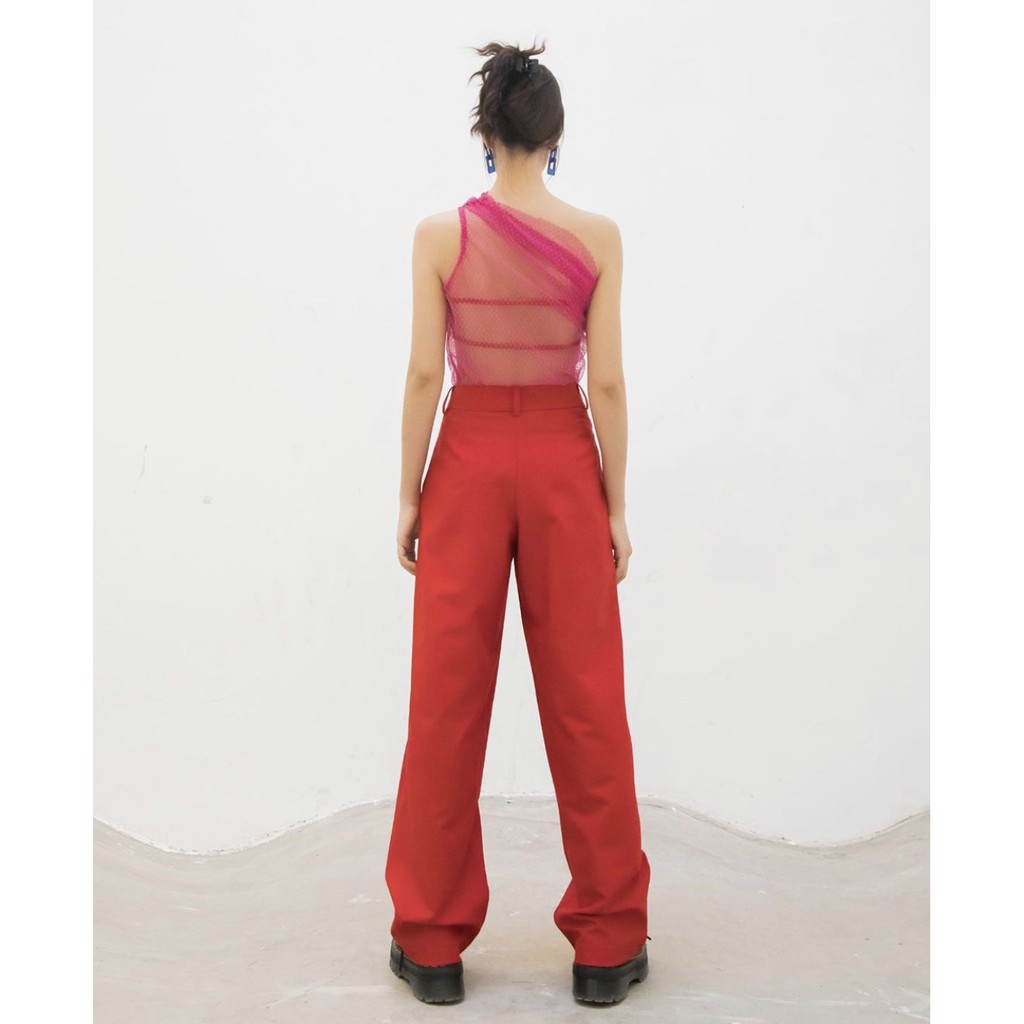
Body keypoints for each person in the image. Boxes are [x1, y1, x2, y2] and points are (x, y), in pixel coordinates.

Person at [385, 39, 651, 1006]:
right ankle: (607, 945)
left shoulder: (439, 237)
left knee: (446, 701)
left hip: (466, 461)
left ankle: (431, 943)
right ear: (556, 136)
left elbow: (426, 372)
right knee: (586, 696)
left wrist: (409, 493)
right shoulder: (599, 238)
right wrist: (614, 503)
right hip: (561, 460)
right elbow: (606, 383)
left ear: (485, 135)